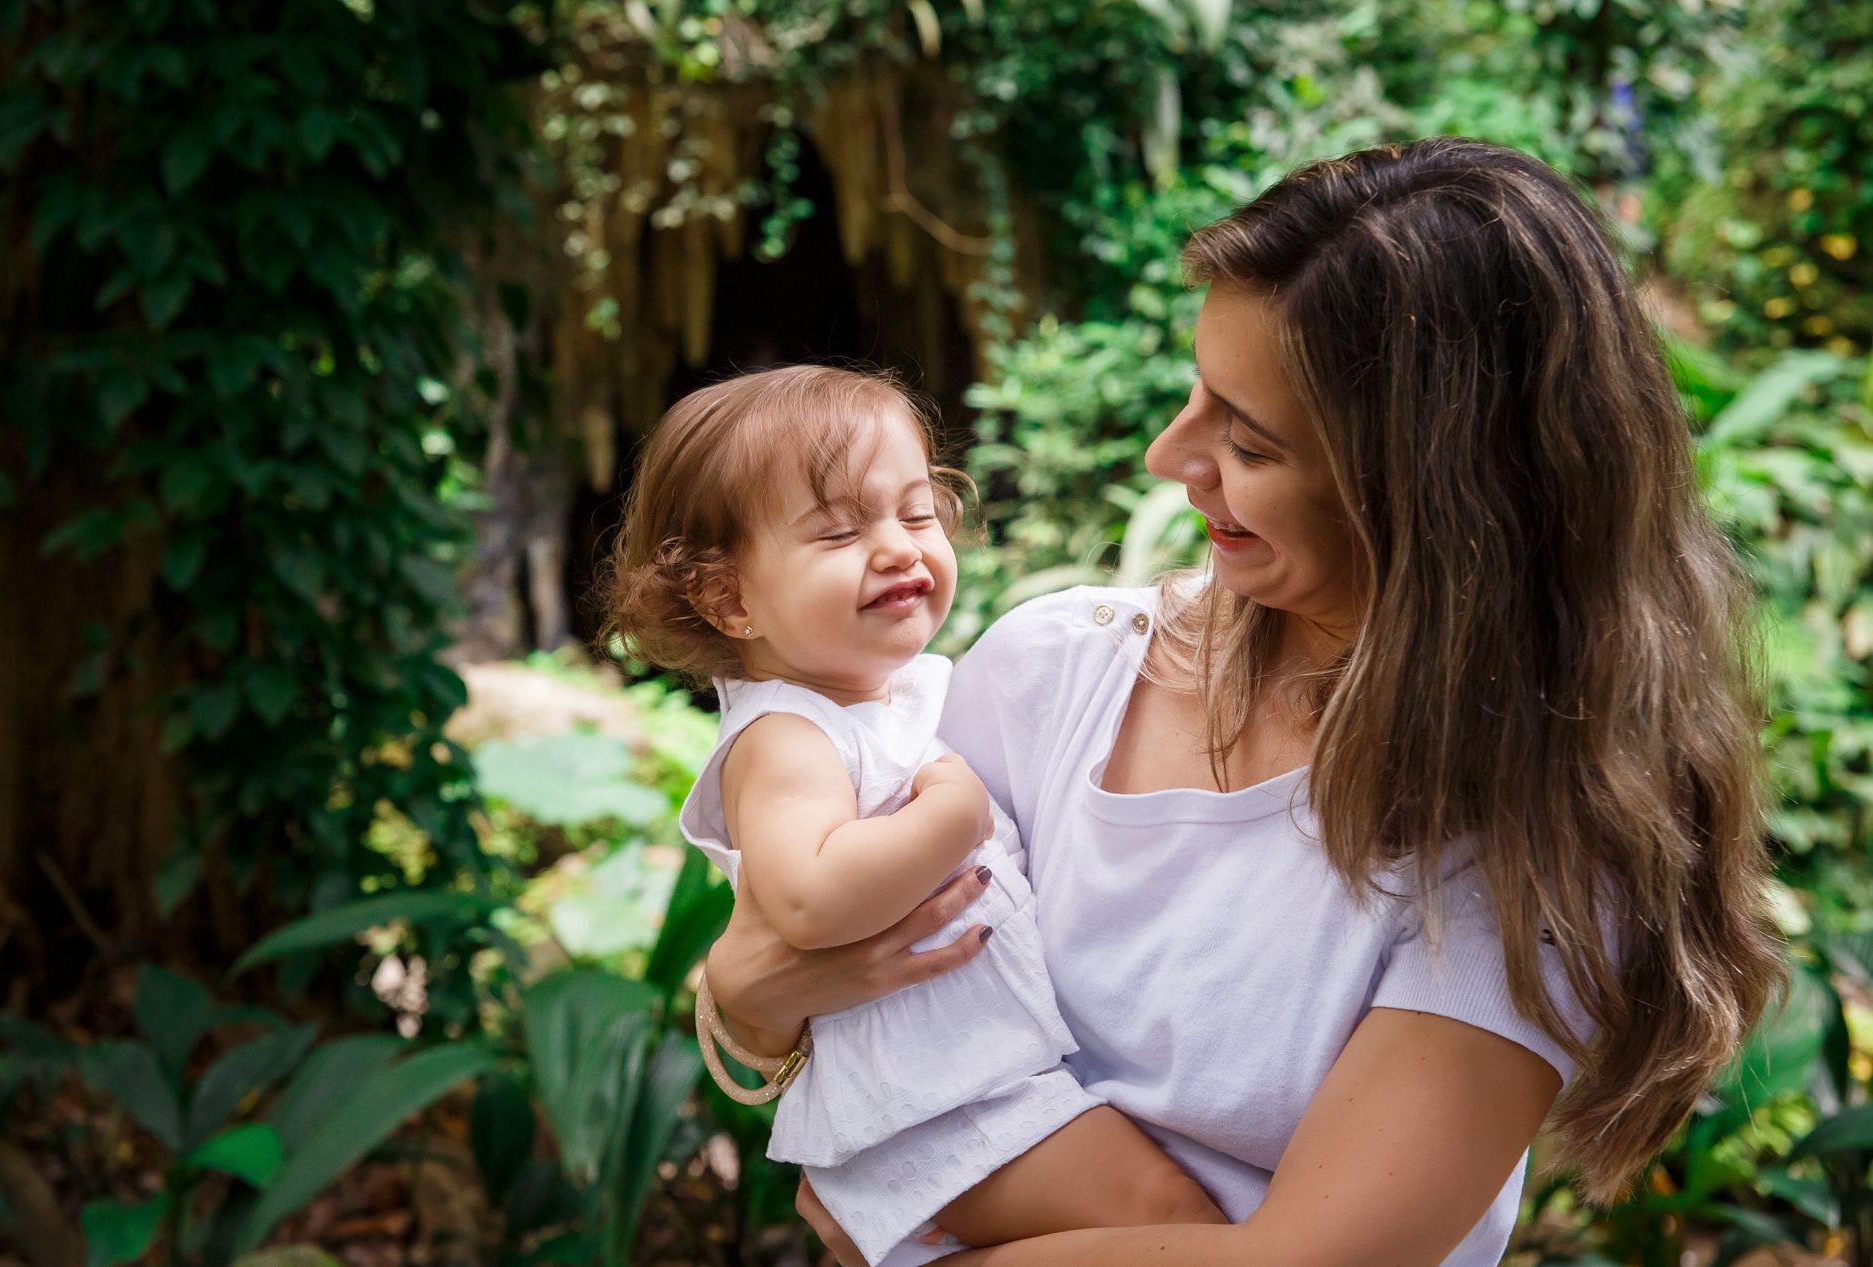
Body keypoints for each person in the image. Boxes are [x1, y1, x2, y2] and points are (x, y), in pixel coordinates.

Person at [701, 137, 1783, 1266]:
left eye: (1248, 438)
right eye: (1194, 394)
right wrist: (743, 1007)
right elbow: (864, 1010)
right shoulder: (1050, 669)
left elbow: (1313, 1259)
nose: (1173, 455)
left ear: (1438, 497)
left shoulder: (1533, 842)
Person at [605, 365, 1226, 1267]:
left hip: (973, 1086)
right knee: (1182, 1226)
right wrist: (958, 808)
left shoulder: (879, 705)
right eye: (839, 530)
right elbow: (811, 898)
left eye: (916, 513)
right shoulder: (785, 735)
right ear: (729, 598)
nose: (898, 548)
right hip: (936, 1110)